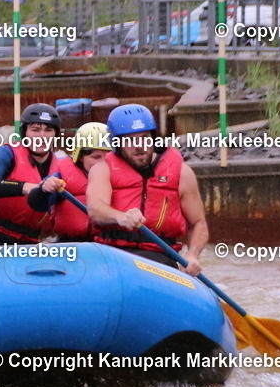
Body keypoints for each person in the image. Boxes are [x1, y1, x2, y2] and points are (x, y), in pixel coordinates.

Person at [86, 104, 209, 276]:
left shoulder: (182, 173)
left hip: (159, 257)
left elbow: (198, 224)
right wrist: (120, 216)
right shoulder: (102, 169)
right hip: (113, 254)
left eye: (144, 138)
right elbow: (95, 209)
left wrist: (192, 254)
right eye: (129, 140)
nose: (139, 146)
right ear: (117, 143)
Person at [0, 103, 60, 245]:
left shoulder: (62, 166)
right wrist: (27, 187)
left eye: (48, 130)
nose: (42, 136)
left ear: (55, 134)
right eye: (35, 130)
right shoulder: (6, 153)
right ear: (25, 133)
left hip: (30, 242)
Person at [26, 121, 112, 242]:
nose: (103, 162)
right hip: (71, 244)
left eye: (108, 157)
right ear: (80, 156)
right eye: (96, 157)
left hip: (109, 247)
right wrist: (43, 190)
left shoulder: (121, 178)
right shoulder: (62, 177)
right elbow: (37, 203)